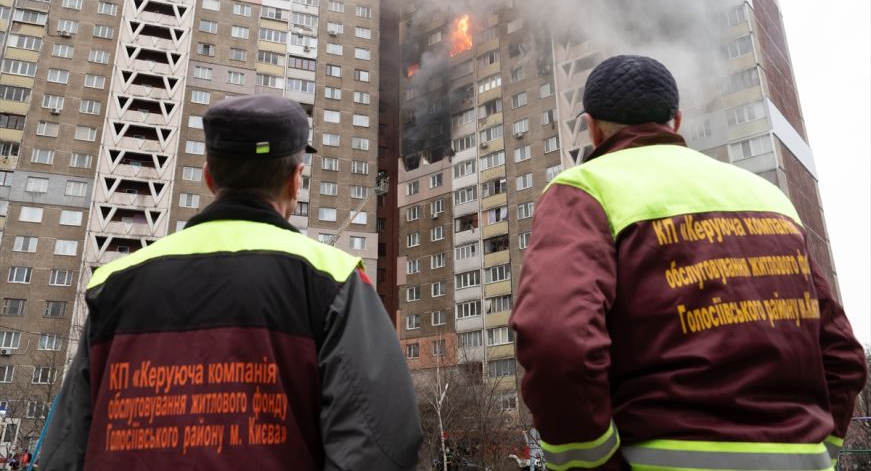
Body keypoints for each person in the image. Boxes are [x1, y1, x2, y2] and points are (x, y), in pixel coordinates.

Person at [510, 55, 867, 470]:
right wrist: (822, 450)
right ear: (676, 121)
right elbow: (842, 356)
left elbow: (557, 339)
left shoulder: (584, 190)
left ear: (591, 126)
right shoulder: (768, 198)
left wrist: (590, 463)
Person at [41, 95, 422, 470]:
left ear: (208, 177)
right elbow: (381, 442)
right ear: (295, 180)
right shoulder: (334, 279)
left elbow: (63, 448)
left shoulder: (113, 284)